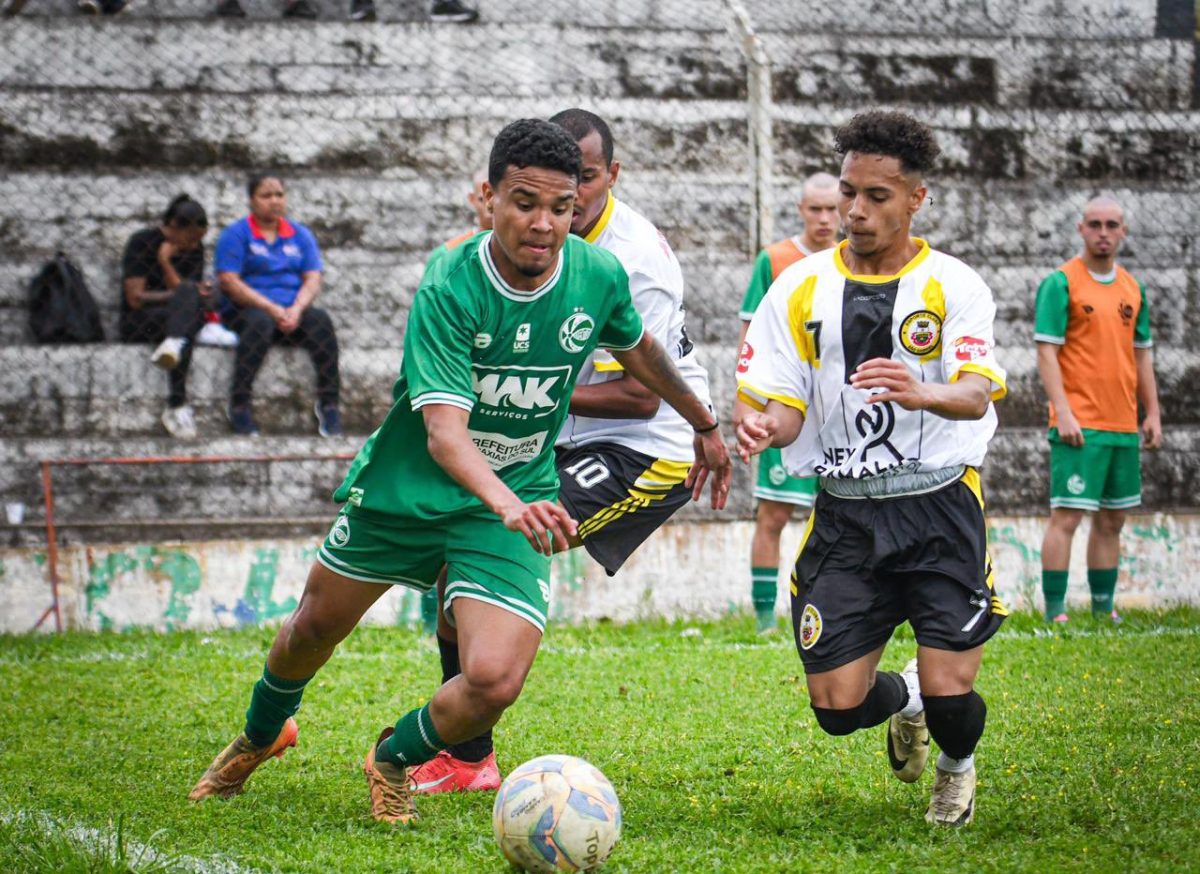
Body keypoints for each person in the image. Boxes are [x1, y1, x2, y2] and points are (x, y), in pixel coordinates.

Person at [188, 119, 731, 825]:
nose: (543, 223)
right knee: (310, 632)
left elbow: (642, 351)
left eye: (561, 208)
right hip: (408, 487)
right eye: (524, 202)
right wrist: (509, 503)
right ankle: (261, 735)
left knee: (495, 679)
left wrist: (705, 424)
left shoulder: (598, 276)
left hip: (508, 498)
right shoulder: (450, 281)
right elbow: (445, 435)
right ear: (489, 197)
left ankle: (393, 755)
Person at [407, 107, 714, 795]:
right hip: (558, 438)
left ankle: (463, 754)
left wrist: (507, 394)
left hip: (645, 450)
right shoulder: (537, 235)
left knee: (482, 546)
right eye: (535, 194)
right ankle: (467, 755)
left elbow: (641, 397)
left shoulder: (631, 265)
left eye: (582, 183)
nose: (558, 207)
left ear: (607, 177)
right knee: (460, 563)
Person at [734, 110, 1008, 827]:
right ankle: (907, 700)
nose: (855, 210)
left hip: (939, 505)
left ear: (916, 198)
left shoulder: (954, 285)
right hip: (848, 513)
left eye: (876, 196)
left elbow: (977, 389)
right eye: (850, 192)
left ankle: (954, 763)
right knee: (835, 707)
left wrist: (925, 390)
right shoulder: (799, 288)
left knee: (956, 701)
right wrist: (768, 426)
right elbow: (788, 402)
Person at [1035, 196, 1162, 623]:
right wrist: (1063, 410)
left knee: (1113, 520)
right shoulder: (1061, 283)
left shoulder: (1132, 288)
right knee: (1067, 516)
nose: (1103, 232)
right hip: (1079, 423)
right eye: (1095, 224)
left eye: (1111, 224)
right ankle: (1055, 611)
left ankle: (1103, 609)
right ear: (1080, 229)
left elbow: (1142, 355)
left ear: (1123, 231)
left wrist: (1153, 413)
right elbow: (1047, 353)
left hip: (1122, 423)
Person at [737, 172, 839, 632]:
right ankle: (763, 617)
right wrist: (747, 401)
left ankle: (834, 610)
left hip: (838, 411)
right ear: (800, 209)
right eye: (815, 209)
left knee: (841, 515)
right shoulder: (775, 260)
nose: (824, 218)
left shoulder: (853, 263)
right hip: (784, 405)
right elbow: (750, 334)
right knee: (774, 513)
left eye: (832, 208)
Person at [214, 174, 343, 437]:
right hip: (248, 311)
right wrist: (271, 309)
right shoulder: (236, 234)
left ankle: (329, 405)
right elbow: (229, 281)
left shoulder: (299, 235)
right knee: (259, 322)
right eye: (266, 195)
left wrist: (296, 309)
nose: (274, 201)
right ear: (252, 201)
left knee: (320, 321)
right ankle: (239, 405)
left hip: (290, 312)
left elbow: (313, 278)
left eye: (279, 195)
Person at [119, 194, 212, 440]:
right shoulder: (142, 242)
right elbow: (135, 298)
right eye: (190, 238)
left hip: (177, 321)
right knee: (189, 303)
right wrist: (162, 261)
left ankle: (174, 343)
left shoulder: (195, 249)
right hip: (140, 321)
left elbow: (186, 292)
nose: (193, 245)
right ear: (171, 227)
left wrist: (167, 264)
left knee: (189, 307)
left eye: (198, 240)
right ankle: (177, 404)